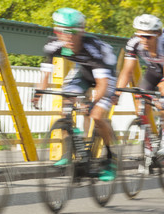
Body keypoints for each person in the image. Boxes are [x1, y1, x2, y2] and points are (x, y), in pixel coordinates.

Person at [32, 8, 118, 181]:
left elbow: (102, 84)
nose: (68, 37)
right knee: (66, 105)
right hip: (83, 73)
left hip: (105, 76)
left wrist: (92, 103)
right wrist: (38, 93)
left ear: (81, 32)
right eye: (62, 32)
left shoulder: (93, 49)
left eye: (73, 32)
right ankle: (67, 152)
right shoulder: (54, 45)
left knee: (96, 116)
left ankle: (110, 158)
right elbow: (45, 74)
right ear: (57, 31)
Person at [115, 14, 164, 153]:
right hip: (154, 70)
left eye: (148, 37)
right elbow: (127, 70)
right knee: (141, 105)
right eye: (140, 35)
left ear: (158, 34)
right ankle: (148, 144)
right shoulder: (134, 43)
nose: (144, 40)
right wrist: (117, 92)